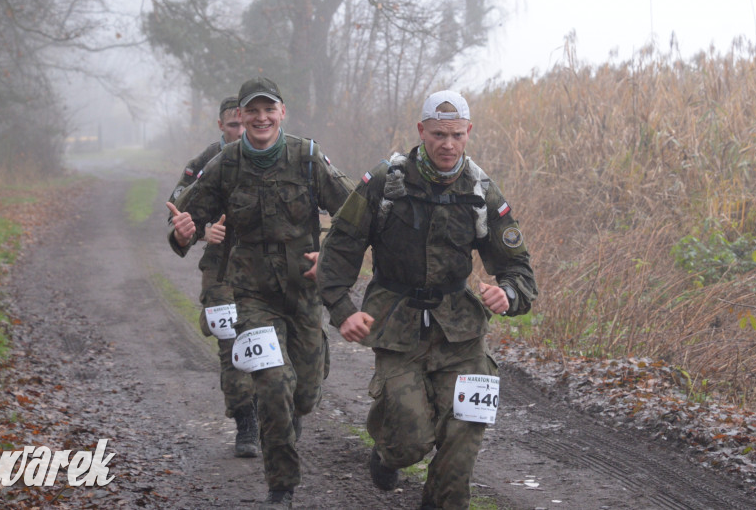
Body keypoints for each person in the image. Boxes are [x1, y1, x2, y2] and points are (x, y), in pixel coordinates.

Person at [316, 90, 537, 510]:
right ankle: (385, 449)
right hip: (397, 325)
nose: (447, 144)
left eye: (456, 134)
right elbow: (339, 249)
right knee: (410, 443)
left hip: (462, 333)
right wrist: (342, 310)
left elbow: (519, 268)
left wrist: (507, 293)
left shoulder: (481, 191)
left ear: (468, 132)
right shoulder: (386, 182)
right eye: (438, 134)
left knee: (464, 437)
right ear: (421, 131)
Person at [166, 77, 354, 510]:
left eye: (269, 109)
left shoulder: (307, 157)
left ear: (282, 112)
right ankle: (281, 487)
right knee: (272, 384)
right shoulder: (225, 164)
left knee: (303, 393)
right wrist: (184, 232)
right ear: (241, 117)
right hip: (250, 297)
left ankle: (295, 400)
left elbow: (353, 213)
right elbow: (186, 220)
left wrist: (329, 253)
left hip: (303, 295)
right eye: (253, 111)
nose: (261, 117)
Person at [167, 95, 259, 458]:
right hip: (222, 269)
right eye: (233, 124)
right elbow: (178, 223)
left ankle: (282, 409)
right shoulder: (204, 164)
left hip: (271, 270)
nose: (240, 130)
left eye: (244, 122)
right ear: (221, 126)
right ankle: (245, 421)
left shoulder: (273, 156)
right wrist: (202, 231)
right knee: (231, 343)